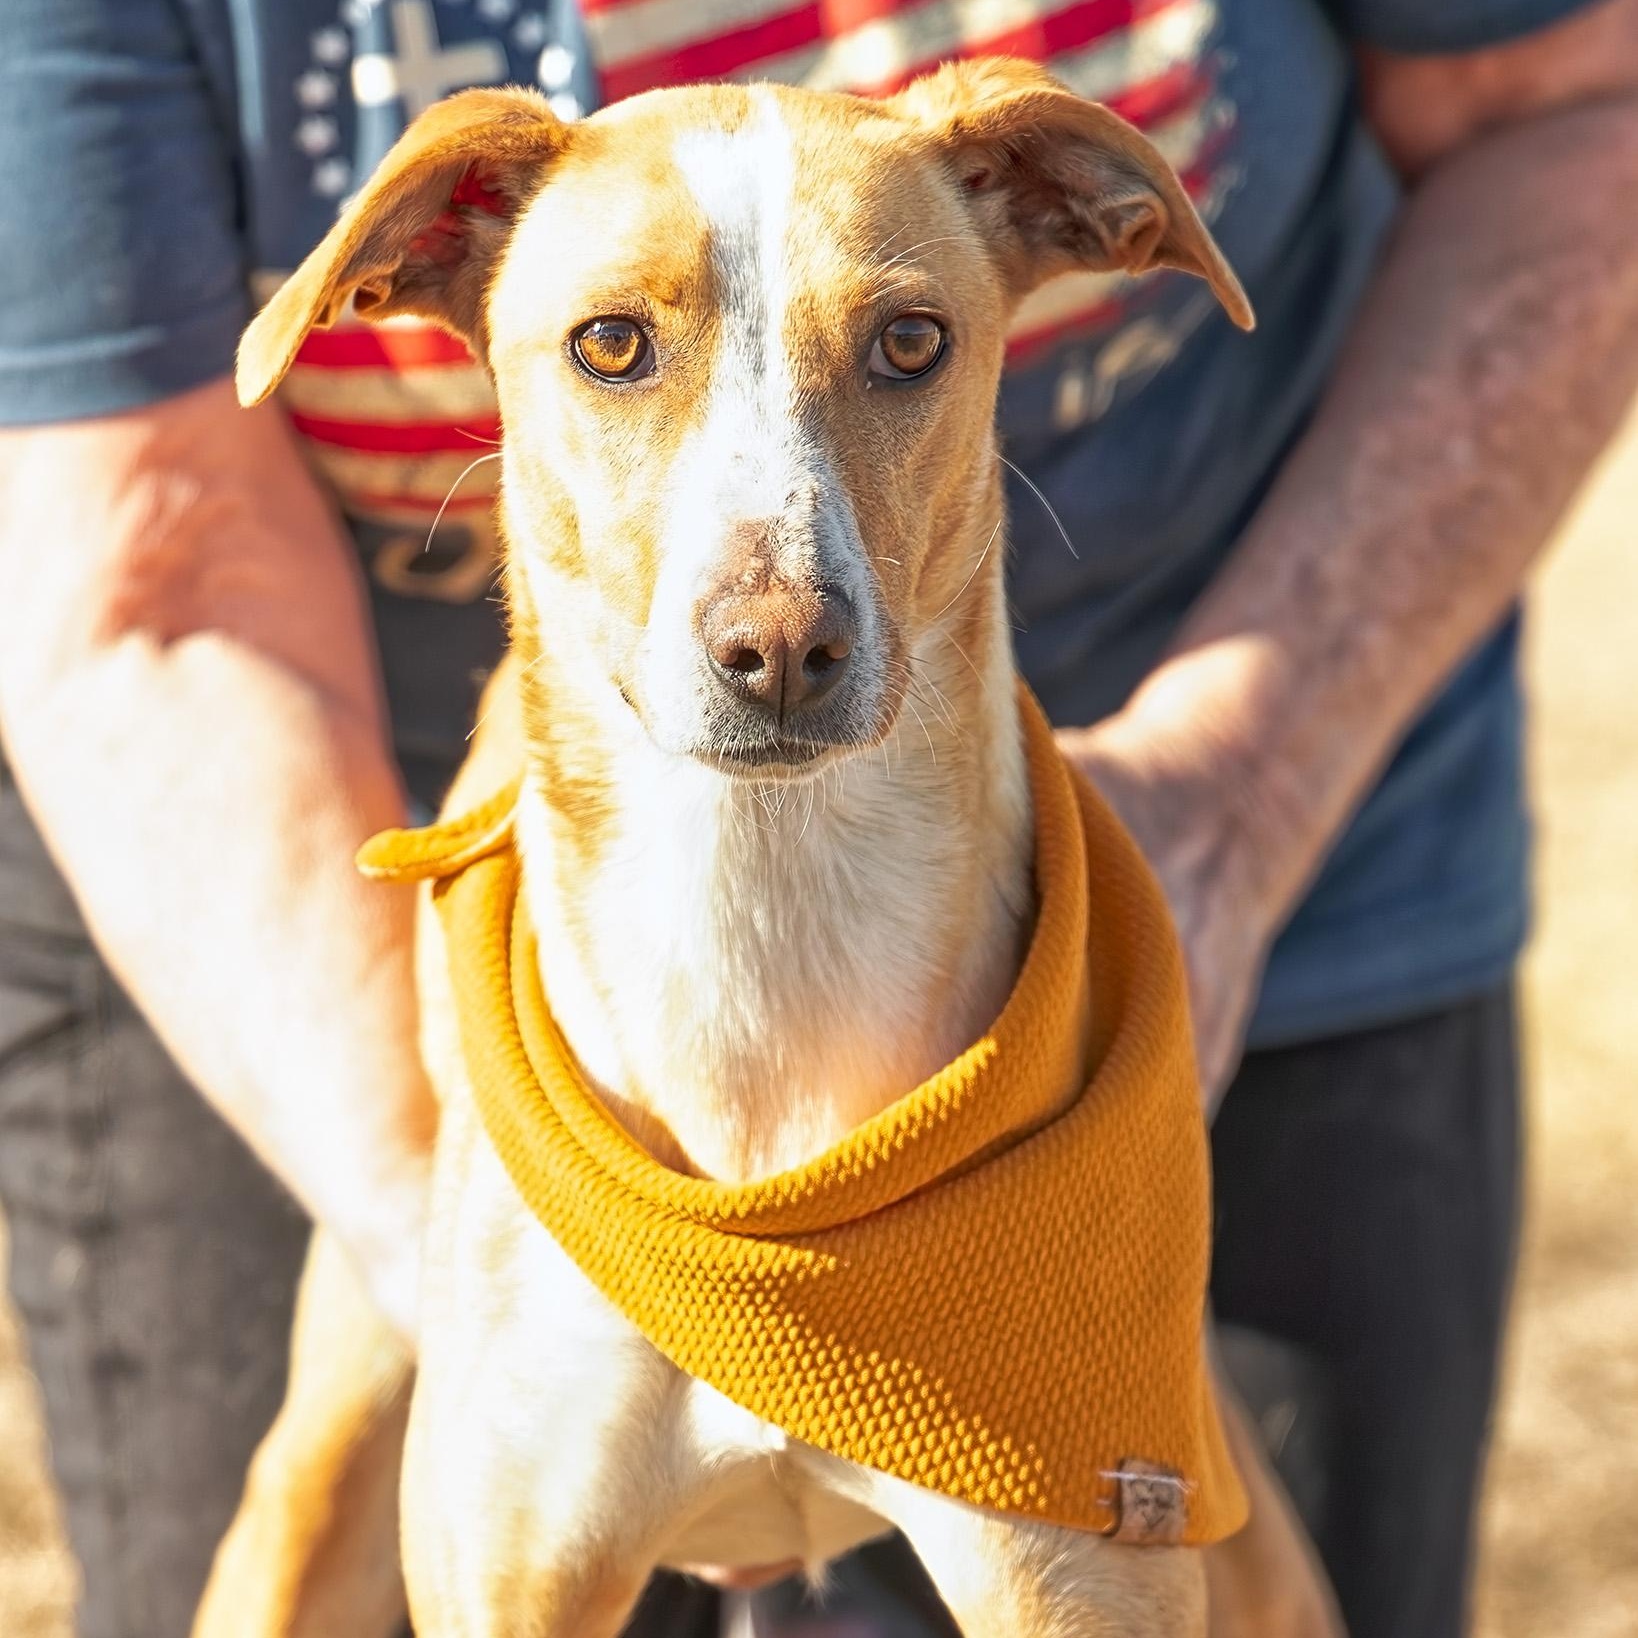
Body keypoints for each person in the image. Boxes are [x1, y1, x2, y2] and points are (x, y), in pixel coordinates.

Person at [1, 2, 1635, 1636]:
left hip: (1209, 803)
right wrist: (452, 1197)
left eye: (902, 347)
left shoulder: (977, 193)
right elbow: (145, 574)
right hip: (320, 841)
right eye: (616, 349)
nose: (779, 596)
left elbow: (1567, 112)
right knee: (296, 1520)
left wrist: (1240, 793)